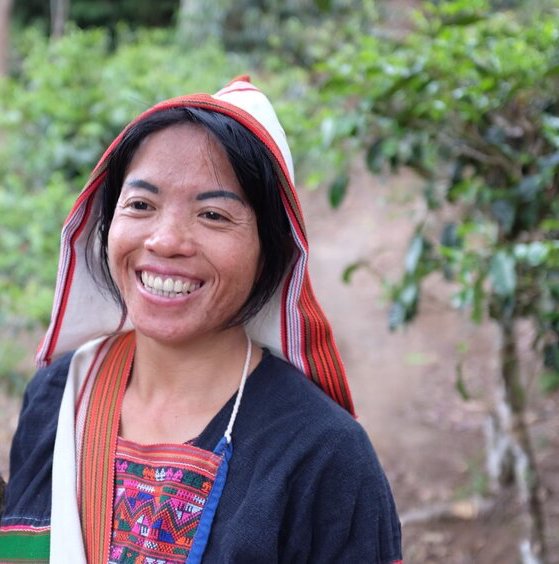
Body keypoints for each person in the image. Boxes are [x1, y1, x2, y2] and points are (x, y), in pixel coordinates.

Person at [0, 77, 402, 563]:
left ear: (271, 251)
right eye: (141, 205)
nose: (166, 241)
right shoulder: (58, 398)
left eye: (212, 215)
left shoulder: (322, 455)